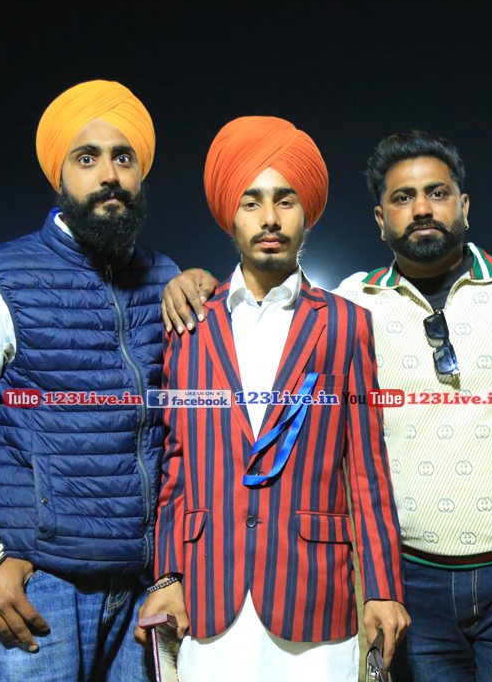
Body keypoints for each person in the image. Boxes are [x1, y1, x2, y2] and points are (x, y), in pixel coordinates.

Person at [159, 130, 492, 681]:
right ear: (380, 219)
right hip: (414, 575)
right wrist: (191, 281)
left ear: (465, 205)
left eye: (437, 193)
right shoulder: (353, 304)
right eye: (402, 198)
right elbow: (179, 452)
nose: (421, 209)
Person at [0, 80, 178, 681]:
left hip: (145, 593)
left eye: (123, 157)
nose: (108, 175)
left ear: (141, 173)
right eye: (87, 158)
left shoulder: (165, 278)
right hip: (41, 591)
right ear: (58, 175)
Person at [136, 116, 408, 681]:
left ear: (306, 214)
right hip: (208, 594)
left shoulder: (345, 325)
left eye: (285, 201)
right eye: (251, 202)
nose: (269, 218)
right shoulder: (190, 326)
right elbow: (175, 466)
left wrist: (383, 586)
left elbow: (367, 468)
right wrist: (167, 576)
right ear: (230, 216)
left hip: (315, 596)